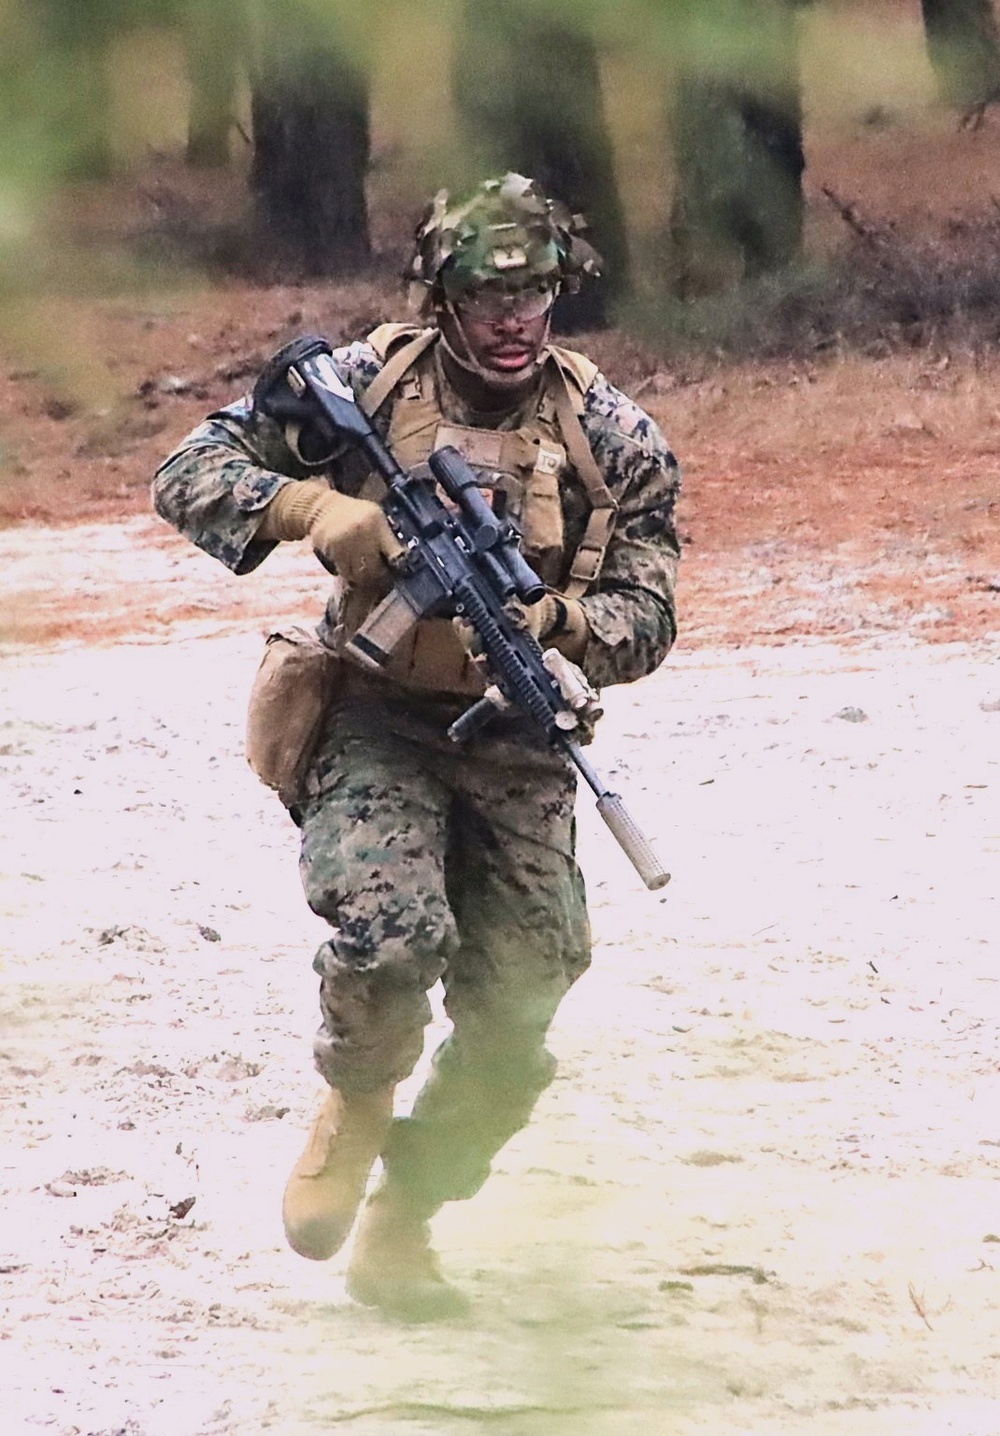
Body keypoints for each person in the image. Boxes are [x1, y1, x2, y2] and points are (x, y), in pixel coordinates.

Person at [151, 172, 681, 1323]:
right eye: (489, 291)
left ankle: (410, 1209)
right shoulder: (365, 386)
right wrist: (314, 512)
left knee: (525, 994)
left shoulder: (609, 435)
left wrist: (558, 623)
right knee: (392, 935)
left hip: (517, 737)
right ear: (441, 292)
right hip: (375, 714)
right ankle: (353, 1104)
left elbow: (651, 612)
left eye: (536, 289)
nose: (514, 316)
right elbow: (189, 471)